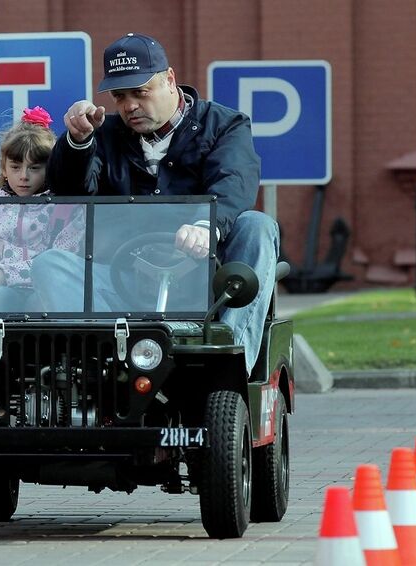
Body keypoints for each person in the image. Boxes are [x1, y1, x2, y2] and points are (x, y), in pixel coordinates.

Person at [35, 32, 279, 376]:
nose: (129, 105)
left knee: (258, 226)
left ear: (170, 79)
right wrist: (76, 141)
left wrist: (207, 226)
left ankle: (229, 362)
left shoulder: (224, 125)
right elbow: (69, 192)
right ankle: (101, 368)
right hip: (124, 278)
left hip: (206, 283)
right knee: (50, 264)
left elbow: (234, 181)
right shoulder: (103, 136)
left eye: (140, 92)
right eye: (120, 96)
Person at [0, 106, 84, 311]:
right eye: (15, 167)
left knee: (39, 304)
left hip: (47, 300)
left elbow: (64, 267)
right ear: (4, 168)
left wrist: (5, 275)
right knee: (1, 298)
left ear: (51, 168)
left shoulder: (64, 211)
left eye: (34, 168)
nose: (24, 176)